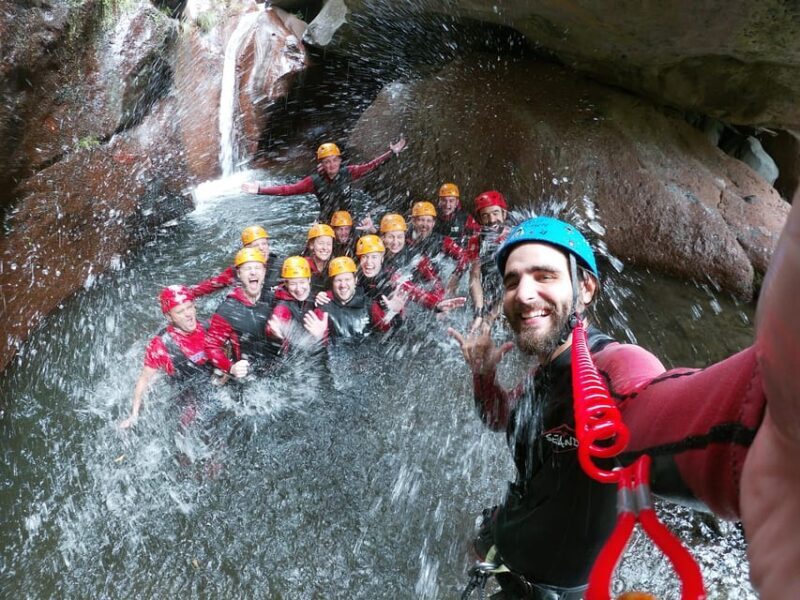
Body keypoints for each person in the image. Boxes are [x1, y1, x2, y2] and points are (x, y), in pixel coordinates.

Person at [447, 212, 797, 598]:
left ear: (585, 289)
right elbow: (502, 419)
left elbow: (662, 410)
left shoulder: (614, 366)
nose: (524, 294)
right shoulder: (540, 375)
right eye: (513, 281)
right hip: (507, 534)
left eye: (544, 275)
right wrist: (483, 377)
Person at [241, 138, 407, 222]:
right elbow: (288, 190)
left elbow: (371, 166)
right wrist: (260, 190)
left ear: (340, 161)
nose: (332, 164)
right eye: (327, 161)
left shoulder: (349, 172)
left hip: (347, 220)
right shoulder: (314, 181)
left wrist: (391, 153)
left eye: (335, 160)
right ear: (322, 164)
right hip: (326, 222)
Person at [120, 285, 211, 429]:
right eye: (181, 311)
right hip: (187, 393)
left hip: (212, 382)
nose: (188, 314)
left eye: (189, 307)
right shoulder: (161, 345)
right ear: (169, 316)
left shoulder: (208, 327)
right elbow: (144, 381)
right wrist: (134, 415)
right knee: (193, 425)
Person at [204, 248, 279, 380]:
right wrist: (231, 367)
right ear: (238, 274)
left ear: (264, 271)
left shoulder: (275, 298)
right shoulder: (227, 310)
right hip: (248, 375)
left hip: (276, 365)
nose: (253, 272)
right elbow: (211, 346)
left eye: (257, 268)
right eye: (247, 268)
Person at [319, 256, 406, 339]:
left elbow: (388, 329)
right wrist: (317, 338)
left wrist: (395, 313)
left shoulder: (369, 305)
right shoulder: (323, 307)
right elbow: (321, 344)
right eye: (338, 280)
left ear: (355, 281)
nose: (343, 285)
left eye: (347, 279)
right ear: (332, 283)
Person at [192, 225, 282, 298]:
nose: (262, 248)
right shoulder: (237, 271)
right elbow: (212, 285)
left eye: (264, 243)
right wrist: (188, 294)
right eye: (256, 245)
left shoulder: (281, 266)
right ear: (246, 249)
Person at [466, 190, 511, 332]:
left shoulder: (514, 237)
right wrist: (479, 313)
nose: (491, 220)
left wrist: (490, 317)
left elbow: (515, 283)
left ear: (504, 214)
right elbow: (475, 277)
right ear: (480, 219)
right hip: (490, 290)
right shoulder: (476, 241)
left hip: (511, 291)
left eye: (495, 213)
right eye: (485, 215)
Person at [266, 256, 329, 349]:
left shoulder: (316, 296)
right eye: (293, 284)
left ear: (309, 280)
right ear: (286, 284)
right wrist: (273, 331)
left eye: (302, 282)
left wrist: (321, 335)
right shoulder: (282, 305)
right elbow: (278, 317)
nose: (299, 289)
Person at [304, 223, 335, 295]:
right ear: (311, 245)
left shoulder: (335, 265)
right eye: (321, 243)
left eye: (329, 244)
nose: (325, 248)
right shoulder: (303, 265)